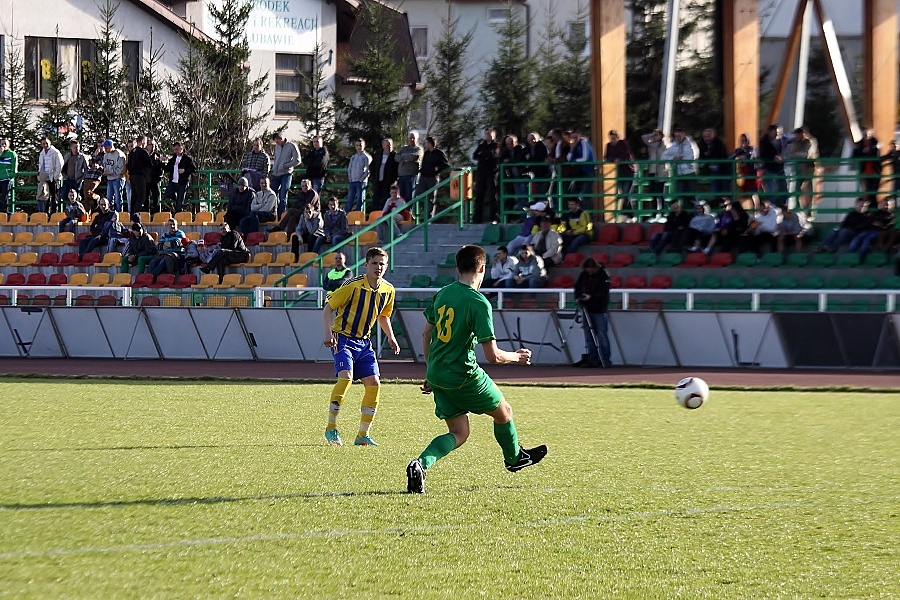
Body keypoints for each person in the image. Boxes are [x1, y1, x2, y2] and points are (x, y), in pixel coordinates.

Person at [406, 244, 547, 494]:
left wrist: (431, 370)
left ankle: (420, 464)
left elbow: (426, 334)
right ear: (482, 268)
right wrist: (516, 357)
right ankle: (514, 459)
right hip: (463, 375)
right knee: (504, 412)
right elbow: (492, 356)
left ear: (458, 267)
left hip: (438, 373)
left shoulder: (443, 293)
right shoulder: (478, 302)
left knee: (459, 432)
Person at [322, 247, 400, 447]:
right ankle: (331, 429)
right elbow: (328, 308)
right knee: (346, 378)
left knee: (374, 383)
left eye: (382, 264)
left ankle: (362, 435)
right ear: (366, 265)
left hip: (364, 343)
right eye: (374, 263)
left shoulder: (388, 290)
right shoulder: (353, 285)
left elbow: (384, 316)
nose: (378, 267)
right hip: (342, 338)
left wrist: (391, 337)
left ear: (387, 266)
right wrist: (328, 333)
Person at [572, 257, 611, 368]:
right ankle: (592, 359)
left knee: (602, 336)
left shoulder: (603, 276)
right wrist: (579, 297)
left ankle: (605, 359)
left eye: (591, 270)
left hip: (599, 309)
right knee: (589, 336)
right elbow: (577, 288)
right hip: (586, 308)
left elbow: (604, 292)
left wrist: (591, 297)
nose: (589, 272)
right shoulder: (583, 275)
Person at [662, 126, 697, 209]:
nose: (678, 138)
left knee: (691, 195)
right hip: (679, 174)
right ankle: (684, 211)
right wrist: (673, 159)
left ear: (684, 134)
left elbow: (693, 156)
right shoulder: (674, 145)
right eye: (676, 136)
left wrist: (681, 159)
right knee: (681, 195)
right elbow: (663, 156)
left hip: (690, 173)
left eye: (679, 136)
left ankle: (692, 212)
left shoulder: (690, 144)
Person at [604, 130, 636, 220]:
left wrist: (619, 160)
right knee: (624, 193)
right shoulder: (608, 145)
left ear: (617, 138)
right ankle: (629, 214)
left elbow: (625, 155)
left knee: (626, 193)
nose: (612, 140)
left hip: (629, 171)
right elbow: (606, 157)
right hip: (620, 173)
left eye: (614, 138)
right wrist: (614, 160)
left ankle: (628, 214)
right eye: (611, 138)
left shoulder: (622, 144)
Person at [788, 127, 818, 216]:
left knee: (809, 190)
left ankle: (809, 210)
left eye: (799, 134)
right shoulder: (794, 142)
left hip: (809, 169)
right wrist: (797, 154)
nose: (797, 136)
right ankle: (799, 209)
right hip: (799, 169)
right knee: (797, 189)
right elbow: (790, 154)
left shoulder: (810, 141)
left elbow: (807, 154)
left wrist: (796, 154)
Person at [416, 136, 450, 217]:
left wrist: (438, 167)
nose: (425, 144)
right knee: (418, 194)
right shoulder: (427, 153)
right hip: (424, 177)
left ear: (430, 143)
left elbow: (446, 164)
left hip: (432, 177)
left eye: (427, 143)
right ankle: (416, 214)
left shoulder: (439, 153)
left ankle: (429, 217)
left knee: (430, 198)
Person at [472, 127, 499, 223]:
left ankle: (493, 217)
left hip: (491, 173)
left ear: (493, 135)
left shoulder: (496, 145)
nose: (487, 135)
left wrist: (484, 155)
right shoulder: (481, 145)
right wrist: (485, 155)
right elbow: (475, 155)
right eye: (486, 134)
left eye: (489, 134)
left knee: (492, 196)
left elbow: (494, 156)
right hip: (481, 173)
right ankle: (477, 218)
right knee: (479, 195)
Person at [270, 132, 301, 215]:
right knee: (273, 194)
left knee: (283, 195)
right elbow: (276, 159)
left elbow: (297, 160)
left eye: (277, 141)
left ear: (281, 138)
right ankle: (274, 214)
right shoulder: (277, 147)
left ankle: (282, 215)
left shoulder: (292, 146)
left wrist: (285, 166)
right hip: (276, 174)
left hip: (286, 173)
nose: (277, 143)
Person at [641, 129, 667, 221]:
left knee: (661, 193)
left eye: (657, 135)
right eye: (654, 134)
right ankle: (654, 212)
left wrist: (662, 139)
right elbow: (643, 137)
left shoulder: (664, 145)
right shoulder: (651, 145)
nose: (655, 136)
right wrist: (652, 134)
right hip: (652, 171)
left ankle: (663, 212)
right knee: (653, 193)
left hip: (661, 172)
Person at [758, 124, 787, 208]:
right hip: (770, 168)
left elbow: (785, 151)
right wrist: (773, 158)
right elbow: (762, 155)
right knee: (771, 190)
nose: (777, 134)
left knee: (783, 188)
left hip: (780, 168)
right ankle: (772, 207)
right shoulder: (764, 141)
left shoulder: (781, 140)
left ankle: (782, 206)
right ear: (770, 132)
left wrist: (782, 157)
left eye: (778, 133)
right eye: (775, 132)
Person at [698, 127, 730, 200]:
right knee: (715, 190)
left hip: (724, 169)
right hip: (714, 171)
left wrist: (709, 154)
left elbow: (720, 155)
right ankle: (717, 203)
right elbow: (702, 156)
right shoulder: (702, 144)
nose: (706, 138)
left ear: (713, 135)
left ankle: (727, 204)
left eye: (708, 136)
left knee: (725, 189)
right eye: (705, 136)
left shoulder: (719, 143)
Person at [567, 129, 596, 210]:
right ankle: (578, 212)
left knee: (586, 194)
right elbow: (568, 158)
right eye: (572, 138)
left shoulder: (583, 143)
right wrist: (571, 149)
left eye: (575, 137)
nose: (574, 139)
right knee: (575, 193)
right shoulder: (574, 146)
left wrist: (574, 161)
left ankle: (587, 214)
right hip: (580, 172)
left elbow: (585, 157)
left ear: (579, 135)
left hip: (588, 171)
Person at [164, 141, 196, 212]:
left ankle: (179, 212)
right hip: (173, 181)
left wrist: (185, 170)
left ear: (182, 148)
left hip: (182, 182)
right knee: (167, 193)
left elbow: (193, 169)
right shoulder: (173, 158)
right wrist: (163, 161)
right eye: (174, 149)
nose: (176, 151)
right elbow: (167, 168)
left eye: (177, 149)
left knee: (180, 202)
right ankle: (177, 200)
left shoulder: (187, 158)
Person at [853, 129, 882, 208]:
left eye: (867, 134)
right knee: (868, 192)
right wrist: (864, 153)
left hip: (875, 171)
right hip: (864, 172)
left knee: (873, 191)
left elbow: (876, 155)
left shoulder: (875, 144)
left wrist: (865, 153)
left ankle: (873, 208)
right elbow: (855, 155)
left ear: (871, 135)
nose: (866, 136)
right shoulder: (859, 144)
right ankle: (870, 209)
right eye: (864, 134)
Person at [730, 133, 758, 209]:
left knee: (753, 193)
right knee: (745, 193)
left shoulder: (752, 149)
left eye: (745, 140)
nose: (743, 142)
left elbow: (751, 158)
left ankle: (755, 211)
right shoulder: (739, 150)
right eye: (742, 140)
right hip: (744, 175)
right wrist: (738, 152)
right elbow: (730, 157)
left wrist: (744, 155)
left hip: (752, 174)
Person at [36, 137, 64, 213]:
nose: (45, 145)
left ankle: (54, 214)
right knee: (45, 197)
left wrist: (55, 176)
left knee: (54, 197)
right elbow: (41, 165)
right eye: (43, 144)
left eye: (46, 143)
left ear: (50, 143)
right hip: (45, 178)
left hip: (53, 177)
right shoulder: (42, 153)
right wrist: (40, 174)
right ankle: (46, 214)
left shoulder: (55, 152)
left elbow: (60, 165)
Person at [370, 138, 398, 211]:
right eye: (387, 145)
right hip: (378, 181)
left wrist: (393, 180)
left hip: (388, 182)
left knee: (385, 200)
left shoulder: (394, 156)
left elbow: (396, 170)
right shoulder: (378, 155)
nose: (389, 146)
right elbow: (373, 167)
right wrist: (373, 178)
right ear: (383, 146)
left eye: (390, 145)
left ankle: (384, 214)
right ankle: (375, 214)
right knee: (376, 199)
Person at [395, 131, 422, 205]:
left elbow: (414, 157)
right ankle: (401, 211)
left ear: (417, 139)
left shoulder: (418, 149)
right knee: (400, 197)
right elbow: (396, 157)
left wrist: (402, 157)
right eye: (410, 138)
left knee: (409, 196)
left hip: (411, 176)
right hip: (401, 176)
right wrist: (405, 158)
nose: (412, 139)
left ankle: (409, 211)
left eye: (413, 138)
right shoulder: (403, 148)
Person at [127, 135, 152, 214]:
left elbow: (128, 166)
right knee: (141, 196)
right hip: (140, 176)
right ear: (142, 142)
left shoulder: (131, 153)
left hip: (132, 176)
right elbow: (150, 164)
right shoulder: (143, 152)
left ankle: (132, 213)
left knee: (134, 196)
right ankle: (137, 212)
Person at [345, 139, 371, 213]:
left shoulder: (366, 157)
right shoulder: (353, 157)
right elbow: (350, 168)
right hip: (352, 181)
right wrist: (350, 178)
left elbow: (368, 170)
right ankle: (347, 215)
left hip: (361, 182)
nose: (359, 147)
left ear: (364, 146)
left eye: (360, 145)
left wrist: (361, 179)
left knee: (360, 200)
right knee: (350, 199)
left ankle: (359, 215)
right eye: (357, 145)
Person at [101, 139, 127, 211]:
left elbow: (121, 170)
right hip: (110, 179)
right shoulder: (106, 155)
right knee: (109, 199)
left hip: (118, 179)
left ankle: (120, 214)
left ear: (111, 146)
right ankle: (110, 214)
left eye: (106, 148)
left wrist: (110, 172)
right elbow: (105, 165)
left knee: (118, 199)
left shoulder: (119, 154)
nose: (105, 150)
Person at [145, 137, 165, 213]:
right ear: (147, 145)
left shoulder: (158, 155)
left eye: (154, 145)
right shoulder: (144, 155)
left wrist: (161, 161)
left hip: (155, 180)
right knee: (145, 199)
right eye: (150, 144)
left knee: (156, 198)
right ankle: (146, 214)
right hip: (145, 180)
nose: (152, 146)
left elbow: (163, 167)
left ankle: (157, 214)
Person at [0, 138, 17, 215]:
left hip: (6, 178)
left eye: (5, 144)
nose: (3, 145)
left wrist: (10, 176)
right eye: (2, 144)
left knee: (4, 194)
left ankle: (4, 211)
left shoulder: (12, 154)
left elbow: (14, 168)